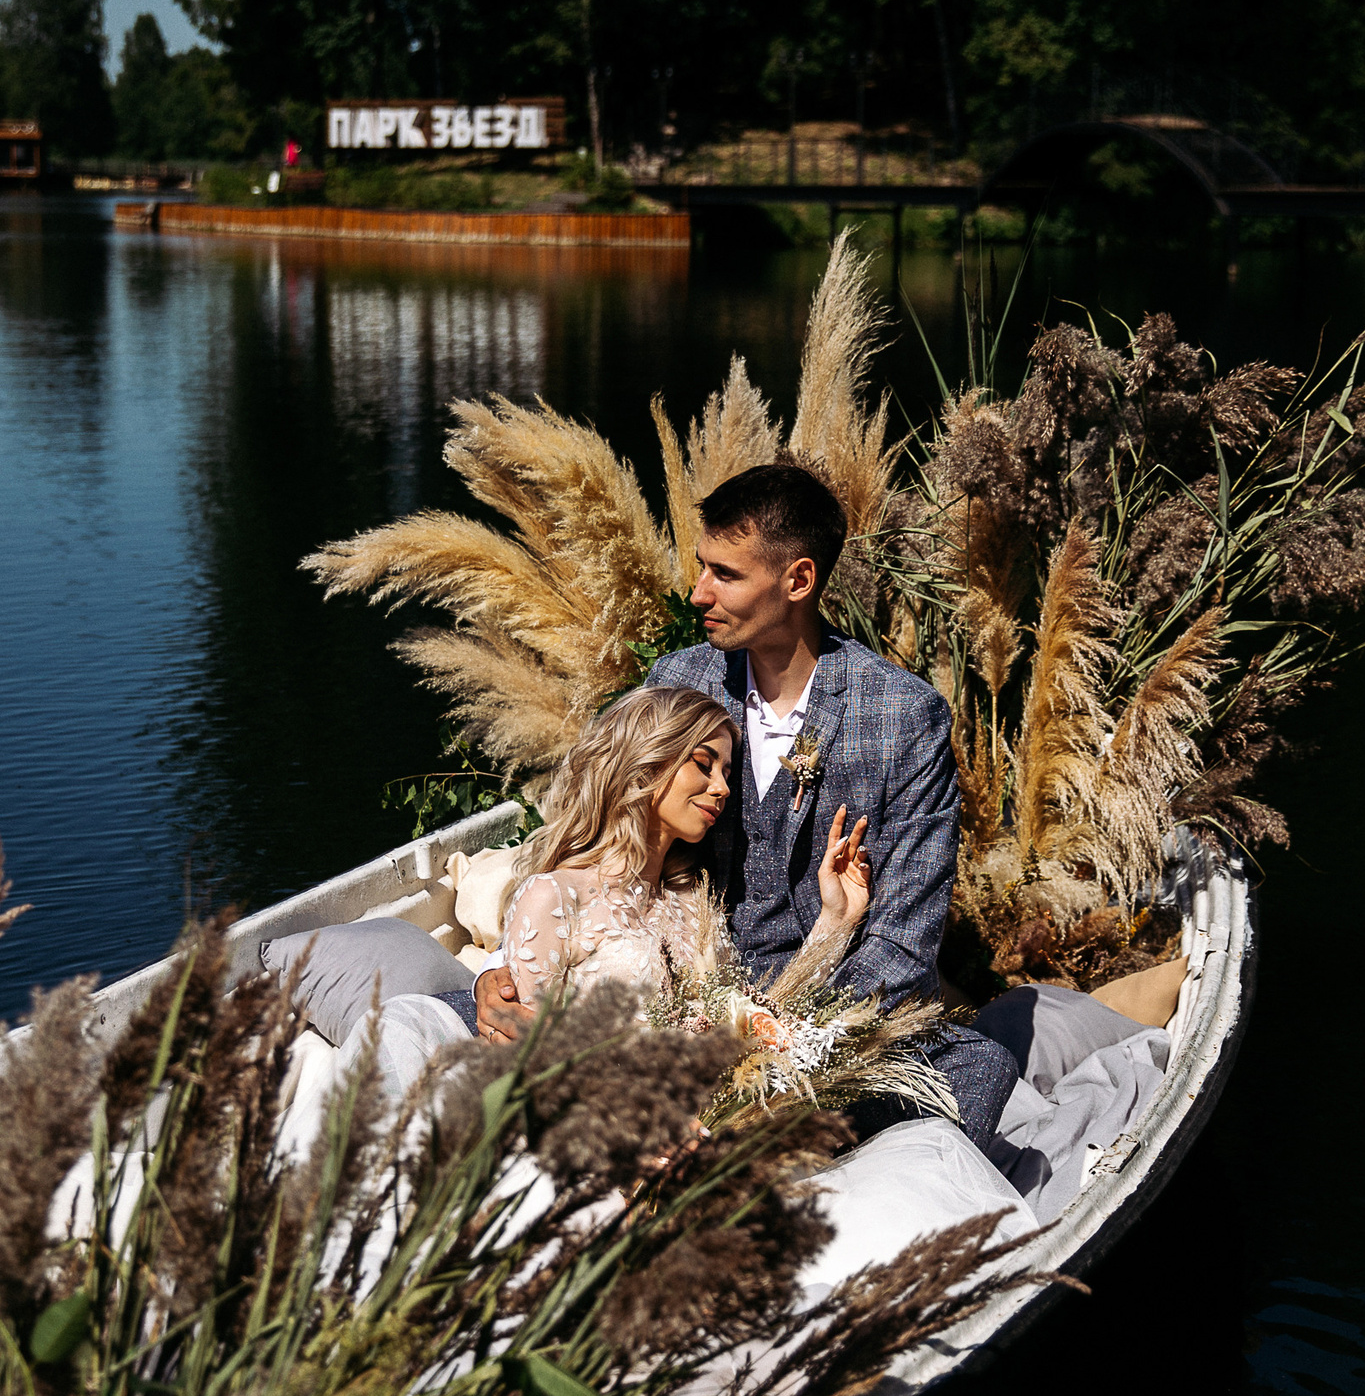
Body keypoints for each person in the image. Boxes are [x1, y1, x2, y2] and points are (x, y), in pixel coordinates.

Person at [474, 462, 1019, 1141]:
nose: (698, 592)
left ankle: (760, 1137)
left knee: (982, 1066)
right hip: (675, 1004)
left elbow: (901, 950)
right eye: (702, 567)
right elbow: (603, 858)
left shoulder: (905, 717)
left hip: (823, 1019)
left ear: (798, 580)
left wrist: (782, 1051)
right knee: (467, 1022)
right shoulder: (681, 678)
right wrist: (497, 977)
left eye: (725, 575)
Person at [339, 684, 872, 1101]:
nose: (723, 788)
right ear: (647, 759)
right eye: (703, 764)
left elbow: (755, 1023)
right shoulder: (554, 897)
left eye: (728, 772)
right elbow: (524, 1063)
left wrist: (836, 919)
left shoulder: (692, 901)